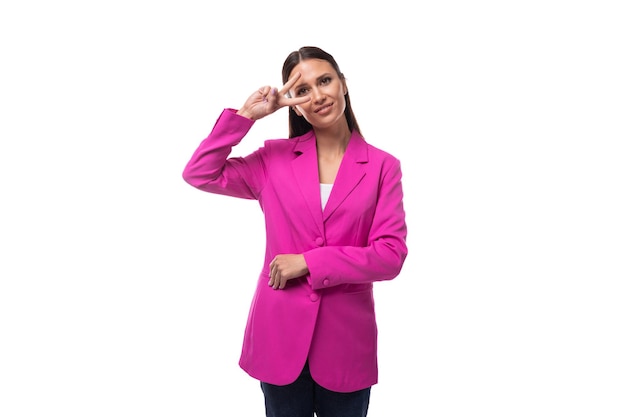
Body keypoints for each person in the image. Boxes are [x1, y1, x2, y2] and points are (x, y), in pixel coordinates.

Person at [182, 46, 408, 417]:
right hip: (278, 337)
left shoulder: (383, 167)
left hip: (346, 343)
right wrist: (246, 117)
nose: (318, 96)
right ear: (293, 104)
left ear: (343, 84)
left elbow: (390, 256)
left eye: (324, 81)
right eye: (302, 91)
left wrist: (309, 262)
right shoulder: (273, 159)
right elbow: (200, 173)